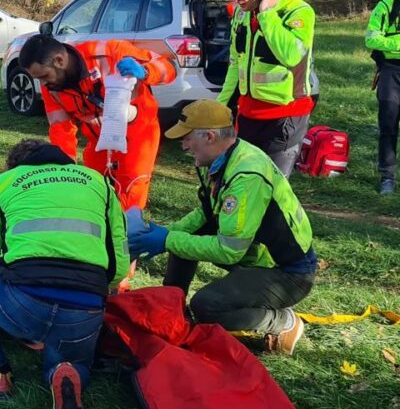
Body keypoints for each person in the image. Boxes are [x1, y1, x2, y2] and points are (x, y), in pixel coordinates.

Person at [0, 139, 129, 409]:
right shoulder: (99, 183)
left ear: (15, 165)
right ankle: (65, 372)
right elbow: (118, 260)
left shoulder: (2, 184)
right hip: (84, 309)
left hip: (23, 304)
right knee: (76, 360)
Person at [129, 100, 316, 356]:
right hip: (259, 255)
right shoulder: (223, 159)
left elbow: (229, 251)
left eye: (186, 138)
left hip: (288, 273)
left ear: (209, 136)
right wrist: (163, 233)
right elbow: (206, 213)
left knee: (207, 306)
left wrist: (167, 240)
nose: (182, 145)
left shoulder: (246, 175)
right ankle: (171, 309)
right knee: (182, 237)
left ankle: (283, 322)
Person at [19, 34, 176, 210]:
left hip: (138, 134)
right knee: (90, 188)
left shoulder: (109, 52)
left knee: (131, 190)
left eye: (44, 75)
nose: (42, 83)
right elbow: (60, 129)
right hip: (98, 140)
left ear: (59, 61)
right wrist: (64, 168)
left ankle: (127, 233)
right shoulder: (51, 86)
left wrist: (145, 72)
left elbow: (168, 67)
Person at [218, 0, 316, 177]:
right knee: (244, 180)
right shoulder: (241, 15)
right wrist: (221, 109)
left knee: (272, 186)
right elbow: (236, 64)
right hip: (249, 114)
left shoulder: (298, 11)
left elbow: (292, 56)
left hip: (286, 115)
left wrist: (266, 14)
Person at [365, 0, 400, 194]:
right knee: (388, 124)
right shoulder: (388, 6)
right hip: (391, 71)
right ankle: (387, 176)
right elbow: (371, 39)